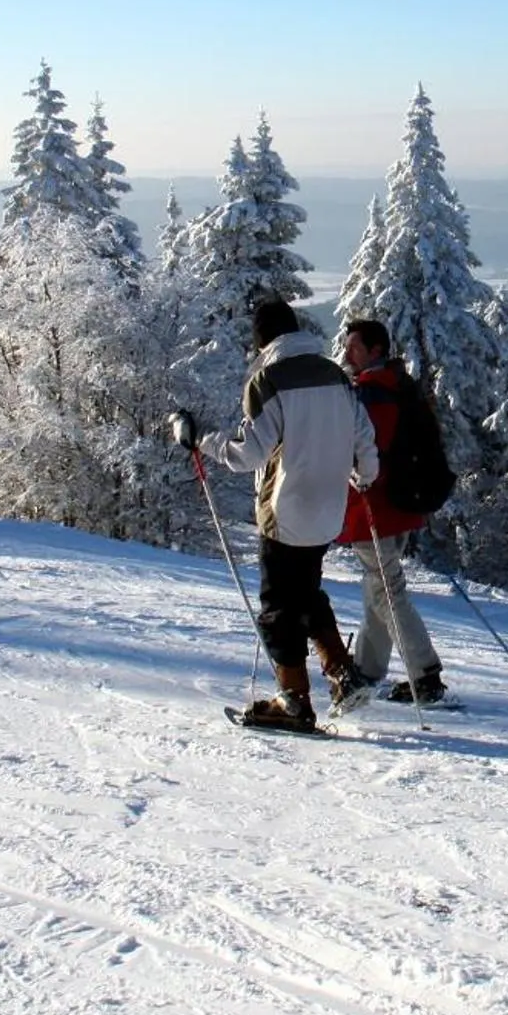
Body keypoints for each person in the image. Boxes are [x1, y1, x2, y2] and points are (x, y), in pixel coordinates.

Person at [177, 299, 381, 731]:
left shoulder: (268, 380)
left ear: (262, 340)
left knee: (276, 606)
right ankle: (343, 674)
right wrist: (364, 475)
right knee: (305, 592)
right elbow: (365, 438)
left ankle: (293, 700)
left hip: (285, 509)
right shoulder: (336, 376)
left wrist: (205, 442)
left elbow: (250, 455)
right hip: (330, 508)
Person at [337, 319, 449, 705]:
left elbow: (368, 454)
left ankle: (425, 675)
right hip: (398, 508)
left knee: (388, 592)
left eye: (354, 347)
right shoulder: (397, 387)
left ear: (375, 351)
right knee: (378, 589)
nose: (347, 353)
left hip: (377, 509)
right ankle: (367, 670)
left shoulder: (373, 394)